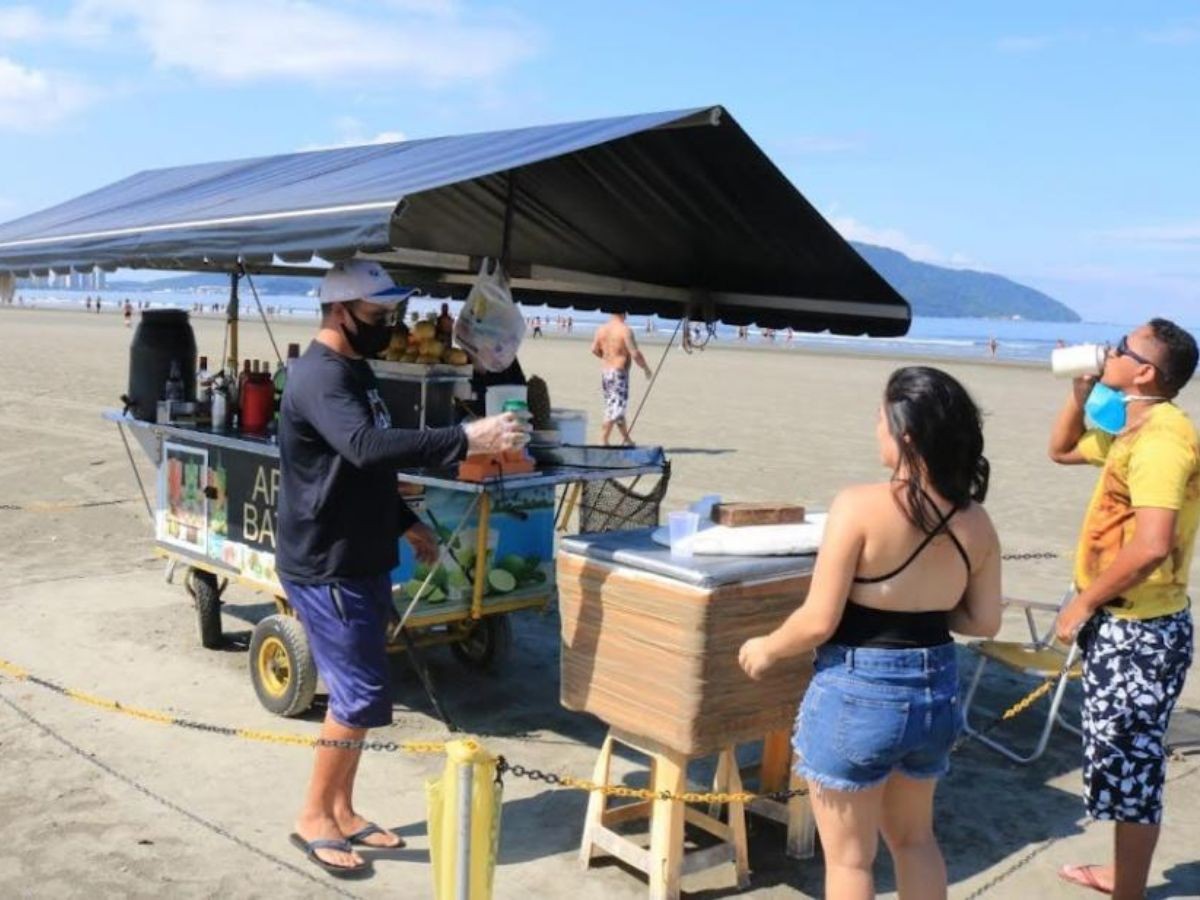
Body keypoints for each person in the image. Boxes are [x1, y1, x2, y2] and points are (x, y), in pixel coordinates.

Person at [276, 259, 524, 877]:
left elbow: (362, 469)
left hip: (360, 552)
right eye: (377, 314)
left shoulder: (354, 371)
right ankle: (313, 816)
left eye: (393, 314)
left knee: (362, 693)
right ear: (340, 311)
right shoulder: (320, 377)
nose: (388, 324)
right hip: (327, 562)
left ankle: (342, 808)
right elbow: (364, 447)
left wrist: (405, 524)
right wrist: (465, 438)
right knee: (357, 695)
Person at [739, 366, 1002, 900]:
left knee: (851, 861)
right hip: (936, 689)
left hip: (859, 692)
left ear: (905, 434)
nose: (874, 427)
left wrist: (764, 649)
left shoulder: (858, 505)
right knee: (915, 840)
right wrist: (917, 609)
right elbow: (983, 621)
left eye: (879, 418)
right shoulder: (976, 521)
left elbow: (818, 620)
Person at [1048, 319, 1198, 898]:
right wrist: (1081, 392)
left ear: (1144, 372)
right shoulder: (1130, 428)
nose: (1109, 351)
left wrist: (1082, 603)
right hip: (1125, 621)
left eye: (1122, 348)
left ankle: (1129, 889)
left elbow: (1153, 542)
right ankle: (1126, 875)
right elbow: (1060, 450)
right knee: (1118, 762)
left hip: (1140, 629)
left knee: (1132, 768)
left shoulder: (1162, 441)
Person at [591, 311, 652, 445]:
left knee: (615, 405)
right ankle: (603, 439)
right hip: (619, 372)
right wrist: (646, 368)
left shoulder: (601, 329)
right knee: (616, 407)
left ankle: (626, 439)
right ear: (624, 313)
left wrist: (608, 357)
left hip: (606, 372)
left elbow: (594, 349)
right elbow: (635, 353)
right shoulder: (625, 330)